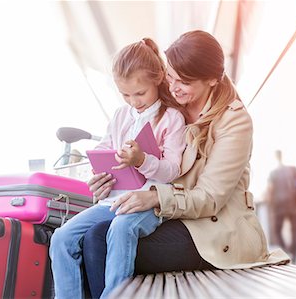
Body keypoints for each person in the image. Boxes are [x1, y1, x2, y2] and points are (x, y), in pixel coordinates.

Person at [82, 30, 290, 298]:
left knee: (100, 241)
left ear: (213, 80)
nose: (173, 86)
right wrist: (108, 182)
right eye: (170, 77)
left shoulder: (234, 121)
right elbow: (145, 162)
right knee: (94, 234)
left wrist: (154, 198)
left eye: (185, 81)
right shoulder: (169, 107)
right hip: (174, 219)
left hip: (215, 230)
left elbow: (210, 198)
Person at [49, 38, 187, 299]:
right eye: (125, 94)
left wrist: (141, 160)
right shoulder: (120, 116)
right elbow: (103, 149)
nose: (134, 101)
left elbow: (172, 170)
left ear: (157, 79)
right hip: (112, 200)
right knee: (61, 238)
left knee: (121, 229)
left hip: (149, 202)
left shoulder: (172, 118)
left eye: (140, 93)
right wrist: (98, 173)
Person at [266, 150, 296, 262]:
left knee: (277, 230)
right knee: (295, 231)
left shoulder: (273, 173)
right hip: (294, 205)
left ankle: (287, 251)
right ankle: (294, 254)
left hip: (279, 205)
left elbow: (270, 190)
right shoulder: (293, 170)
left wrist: (270, 203)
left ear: (276, 157)